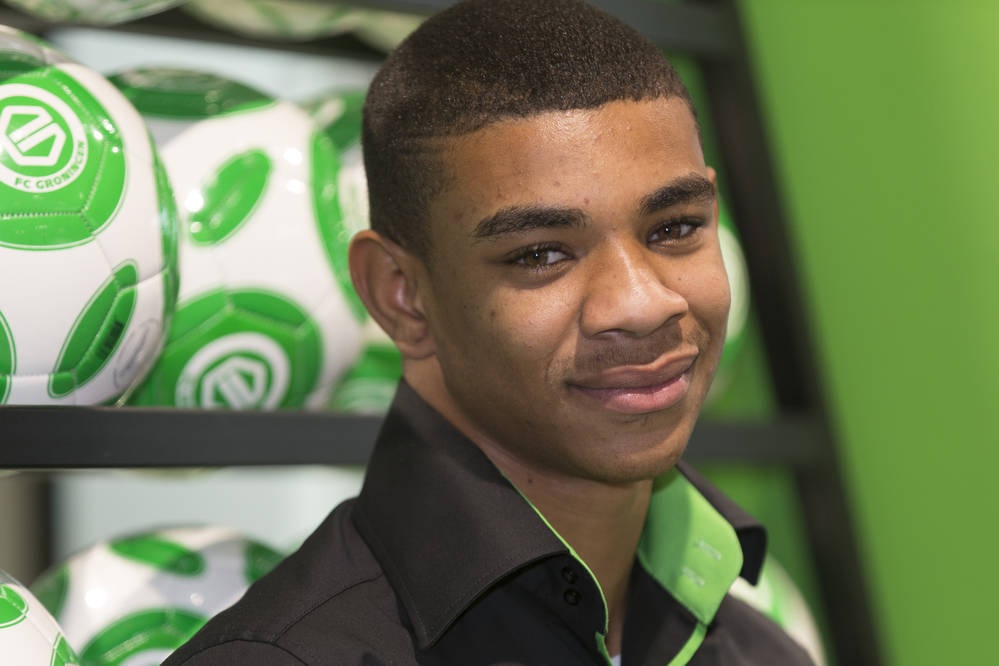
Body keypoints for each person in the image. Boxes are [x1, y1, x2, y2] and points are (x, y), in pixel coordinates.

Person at [165, 1, 814, 664]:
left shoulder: (764, 653)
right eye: (541, 254)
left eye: (674, 228)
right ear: (401, 295)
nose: (641, 304)